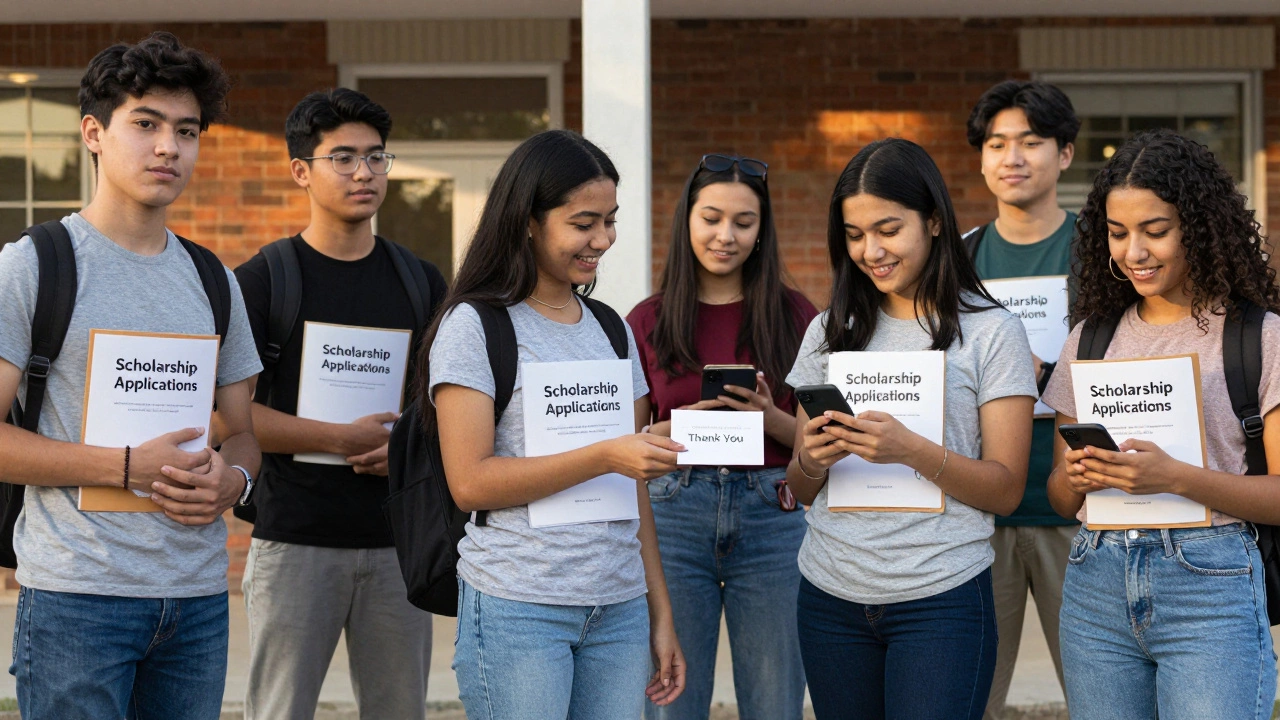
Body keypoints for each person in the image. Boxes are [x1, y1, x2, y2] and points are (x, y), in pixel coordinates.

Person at [0, 32, 261, 719]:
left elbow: (242, 435)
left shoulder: (214, 281)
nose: (168, 147)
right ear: (93, 133)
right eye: (145, 124)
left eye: (186, 130)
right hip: (76, 601)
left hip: (198, 602)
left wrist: (232, 484)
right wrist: (125, 465)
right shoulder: (33, 266)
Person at [421, 128, 686, 719]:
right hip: (521, 607)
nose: (603, 239)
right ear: (527, 222)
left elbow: (632, 485)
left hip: (618, 609)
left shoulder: (611, 327)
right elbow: (471, 482)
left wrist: (659, 612)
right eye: (584, 222)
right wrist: (605, 455)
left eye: (611, 221)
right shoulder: (474, 326)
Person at [785, 138, 1036, 720]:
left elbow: (1005, 488)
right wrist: (813, 461)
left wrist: (912, 450)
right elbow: (799, 489)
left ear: (934, 222)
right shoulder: (828, 331)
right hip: (829, 597)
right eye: (853, 234)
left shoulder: (993, 333)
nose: (870, 250)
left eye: (888, 229)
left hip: (942, 600)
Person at [1043, 128, 1280, 719]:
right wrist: (1079, 474)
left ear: (1199, 228)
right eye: (1117, 234)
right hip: (1095, 580)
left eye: (1156, 231)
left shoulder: (1260, 336)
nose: (1134, 253)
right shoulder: (1089, 338)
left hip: (1213, 581)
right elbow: (1058, 497)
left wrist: (1174, 477)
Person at [234, 88, 447, 720]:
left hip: (398, 545)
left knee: (400, 711)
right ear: (301, 171)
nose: (365, 173)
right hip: (294, 542)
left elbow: (446, 405)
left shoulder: (422, 281)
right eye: (344, 158)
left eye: (377, 158)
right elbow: (227, 415)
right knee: (279, 710)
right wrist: (338, 437)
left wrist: (405, 442)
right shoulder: (264, 279)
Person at [626, 153, 816, 720]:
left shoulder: (797, 315)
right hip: (673, 514)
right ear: (687, 220)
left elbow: (816, 444)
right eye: (711, 218)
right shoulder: (646, 320)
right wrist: (671, 431)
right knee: (669, 699)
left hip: (774, 512)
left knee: (776, 700)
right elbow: (630, 443)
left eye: (743, 222)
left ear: (763, 231)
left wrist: (764, 414)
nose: (725, 236)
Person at [964, 80, 1082, 720]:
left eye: (1031, 142)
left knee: (1101, 694)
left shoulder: (1106, 249)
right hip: (983, 510)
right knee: (971, 695)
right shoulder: (960, 258)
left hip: (1083, 503)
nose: (1012, 157)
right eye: (997, 143)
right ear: (981, 158)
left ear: (1064, 154)